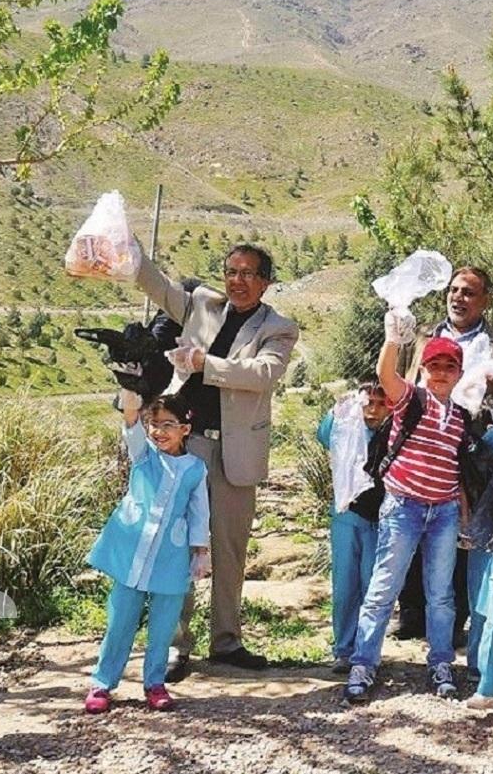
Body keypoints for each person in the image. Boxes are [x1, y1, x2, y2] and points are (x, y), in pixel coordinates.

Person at [133, 242, 299, 679]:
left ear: (265, 282)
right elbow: (156, 285)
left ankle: (226, 642)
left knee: (229, 550)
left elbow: (263, 374)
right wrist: (127, 247)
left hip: (234, 453)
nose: (237, 281)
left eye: (248, 273)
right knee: (177, 545)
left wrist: (204, 363)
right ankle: (175, 644)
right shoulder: (202, 304)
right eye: (231, 271)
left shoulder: (279, 328)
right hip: (186, 447)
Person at [343, 314, 471, 705]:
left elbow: (458, 469)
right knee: (384, 587)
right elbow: (386, 374)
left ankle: (441, 662)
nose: (441, 373)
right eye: (434, 365)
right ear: (423, 368)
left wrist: (464, 516)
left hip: (444, 511)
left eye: (449, 367)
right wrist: (392, 339)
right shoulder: (411, 399)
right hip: (404, 506)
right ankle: (363, 663)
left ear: (459, 373)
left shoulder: (461, 417)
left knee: (441, 593)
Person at [395, 266, 493, 643]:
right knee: (411, 521)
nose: (458, 297)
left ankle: (454, 618)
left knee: (459, 527)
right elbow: (402, 379)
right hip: (419, 443)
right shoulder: (423, 335)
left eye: (469, 292)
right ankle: (410, 612)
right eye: (454, 290)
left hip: (470, 448)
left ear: (485, 300)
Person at [84, 391, 211, 714]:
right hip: (132, 555)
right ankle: (102, 683)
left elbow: (199, 513)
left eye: (168, 424)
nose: (159, 431)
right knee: (120, 622)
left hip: (171, 558)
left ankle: (155, 683)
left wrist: (200, 552)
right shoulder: (144, 455)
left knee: (163, 626)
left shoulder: (195, 469)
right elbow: (131, 425)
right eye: (154, 424)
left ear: (185, 429)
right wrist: (130, 398)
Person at [315, 382, 392, 673]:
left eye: (381, 404)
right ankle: (344, 649)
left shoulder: (394, 434)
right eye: (368, 403)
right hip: (347, 516)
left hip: (380, 520)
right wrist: (339, 410)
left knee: (374, 586)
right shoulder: (347, 431)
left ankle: (368, 650)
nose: (373, 410)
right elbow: (324, 435)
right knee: (345, 586)